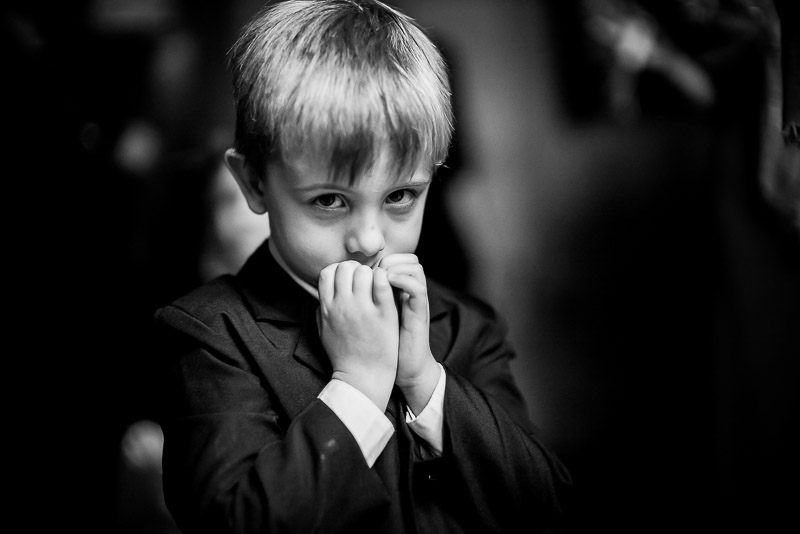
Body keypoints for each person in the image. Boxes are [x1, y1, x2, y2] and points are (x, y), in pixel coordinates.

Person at [152, 1, 571, 533]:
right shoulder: (210, 337)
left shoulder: (465, 325)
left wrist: (424, 379)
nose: (370, 239)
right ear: (255, 182)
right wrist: (359, 387)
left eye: (400, 195)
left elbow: (546, 507)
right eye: (330, 200)